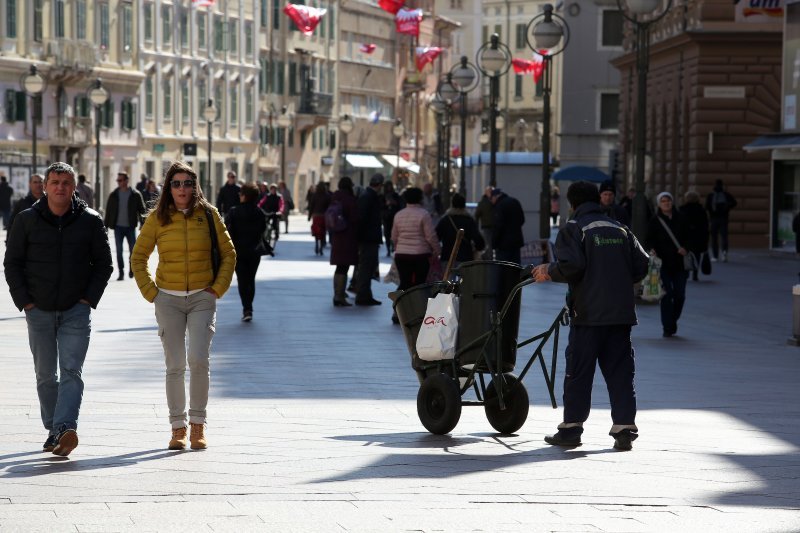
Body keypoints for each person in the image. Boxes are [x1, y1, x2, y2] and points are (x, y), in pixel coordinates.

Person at [3, 162, 113, 457]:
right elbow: (11, 263)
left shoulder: (90, 220)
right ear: (45, 186)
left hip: (76, 310)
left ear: (74, 186)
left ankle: (64, 427)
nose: (60, 187)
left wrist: (88, 299)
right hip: (38, 309)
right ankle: (55, 428)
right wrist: (25, 301)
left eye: (66, 182)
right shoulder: (26, 219)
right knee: (45, 375)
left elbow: (104, 264)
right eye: (55, 182)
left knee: (71, 371)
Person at [531, 180, 649, 451]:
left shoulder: (574, 228)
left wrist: (550, 270)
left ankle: (571, 429)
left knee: (579, 372)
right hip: (620, 315)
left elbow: (572, 266)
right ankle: (624, 429)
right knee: (620, 372)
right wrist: (616, 279)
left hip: (588, 314)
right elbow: (641, 263)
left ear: (571, 203)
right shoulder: (620, 229)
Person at [131, 160, 236, 451]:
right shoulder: (158, 217)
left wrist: (217, 288)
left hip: (203, 297)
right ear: (168, 187)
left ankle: (198, 425)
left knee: (199, 359)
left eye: (187, 183)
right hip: (168, 299)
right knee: (175, 364)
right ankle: (178, 427)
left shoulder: (209, 214)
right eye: (176, 183)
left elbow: (229, 254)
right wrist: (151, 292)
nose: (182, 188)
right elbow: (138, 257)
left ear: (195, 186)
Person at [391, 187, 441, 323]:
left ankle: (398, 311)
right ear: (420, 199)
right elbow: (430, 236)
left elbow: (394, 236)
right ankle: (417, 312)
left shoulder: (399, 215)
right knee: (419, 284)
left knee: (404, 282)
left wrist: (398, 248)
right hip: (420, 255)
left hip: (402, 255)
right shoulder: (424, 214)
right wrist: (437, 250)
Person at [646, 192, 690, 338]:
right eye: (663, 201)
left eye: (668, 201)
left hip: (679, 264)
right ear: (659, 204)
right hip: (663, 263)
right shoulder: (654, 220)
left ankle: (672, 320)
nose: (666, 203)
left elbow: (690, 236)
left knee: (680, 295)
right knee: (667, 294)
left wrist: (686, 248)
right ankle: (667, 326)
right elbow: (649, 239)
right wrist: (652, 249)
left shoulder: (682, 218)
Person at [225, 182, 267, 322]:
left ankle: (246, 308)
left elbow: (227, 232)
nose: (239, 195)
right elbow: (263, 230)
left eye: (241, 193)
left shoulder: (234, 211)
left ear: (245, 196)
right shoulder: (259, 212)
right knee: (251, 279)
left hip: (239, 252)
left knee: (242, 280)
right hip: (254, 252)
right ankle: (249, 307)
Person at [104, 172, 147, 281]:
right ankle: (121, 272)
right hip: (118, 227)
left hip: (130, 227)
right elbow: (108, 211)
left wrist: (144, 224)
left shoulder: (135, 194)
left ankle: (131, 269)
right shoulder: (114, 195)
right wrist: (105, 227)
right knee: (119, 251)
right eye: (118, 180)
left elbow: (142, 210)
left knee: (133, 251)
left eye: (121, 180)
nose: (119, 182)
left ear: (126, 180)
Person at [355, 173, 384, 306]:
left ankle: (366, 294)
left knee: (368, 267)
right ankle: (362, 295)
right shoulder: (369, 197)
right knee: (366, 267)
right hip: (368, 239)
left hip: (368, 238)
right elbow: (362, 219)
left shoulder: (368, 196)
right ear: (380, 185)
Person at [435, 193, 485, 271]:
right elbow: (479, 240)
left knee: (448, 281)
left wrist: (438, 251)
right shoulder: (469, 220)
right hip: (465, 258)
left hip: (447, 257)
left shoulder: (445, 220)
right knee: (464, 281)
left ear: (452, 204)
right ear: (464, 205)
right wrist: (478, 248)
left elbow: (436, 237)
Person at [329, 177, 359, 307]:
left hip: (336, 236)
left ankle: (337, 293)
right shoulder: (349, 199)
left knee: (339, 267)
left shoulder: (334, 197)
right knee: (344, 267)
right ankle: (339, 296)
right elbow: (355, 218)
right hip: (347, 236)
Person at [679, 190, 709, 281]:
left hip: (686, 236)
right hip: (698, 237)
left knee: (686, 254)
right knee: (697, 255)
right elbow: (705, 226)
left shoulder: (682, 209)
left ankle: (687, 272)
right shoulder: (701, 210)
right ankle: (695, 274)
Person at [705, 179, 737, 262]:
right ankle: (723, 253)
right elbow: (734, 203)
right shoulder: (725, 195)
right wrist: (727, 208)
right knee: (723, 237)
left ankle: (716, 255)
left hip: (715, 218)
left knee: (715, 238)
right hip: (722, 218)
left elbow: (706, 206)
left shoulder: (712, 195)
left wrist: (711, 212)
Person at [491, 188, 525, 265]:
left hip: (503, 244)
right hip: (516, 242)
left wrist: (494, 243)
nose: (491, 202)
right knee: (515, 268)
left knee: (503, 269)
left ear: (495, 197)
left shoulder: (499, 205)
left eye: (491, 199)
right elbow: (522, 220)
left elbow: (498, 226)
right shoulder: (514, 201)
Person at [308, 182, 331, 256]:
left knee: (316, 231)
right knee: (322, 231)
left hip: (316, 215)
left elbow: (311, 206)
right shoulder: (327, 196)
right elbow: (329, 206)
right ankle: (321, 246)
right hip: (323, 216)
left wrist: (309, 216)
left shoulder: (315, 195)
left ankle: (316, 244)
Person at [382, 181, 403, 257]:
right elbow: (381, 207)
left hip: (394, 216)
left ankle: (392, 246)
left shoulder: (396, 195)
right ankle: (388, 248)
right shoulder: (383, 196)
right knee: (387, 233)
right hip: (386, 217)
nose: (389, 188)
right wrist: (386, 204)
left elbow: (400, 205)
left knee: (394, 233)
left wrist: (394, 202)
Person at [473, 186, 494, 259]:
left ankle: (488, 258)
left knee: (489, 244)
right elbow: (477, 215)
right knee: (489, 245)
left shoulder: (483, 202)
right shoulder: (487, 202)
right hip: (488, 226)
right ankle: (489, 259)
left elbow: (476, 216)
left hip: (488, 226)